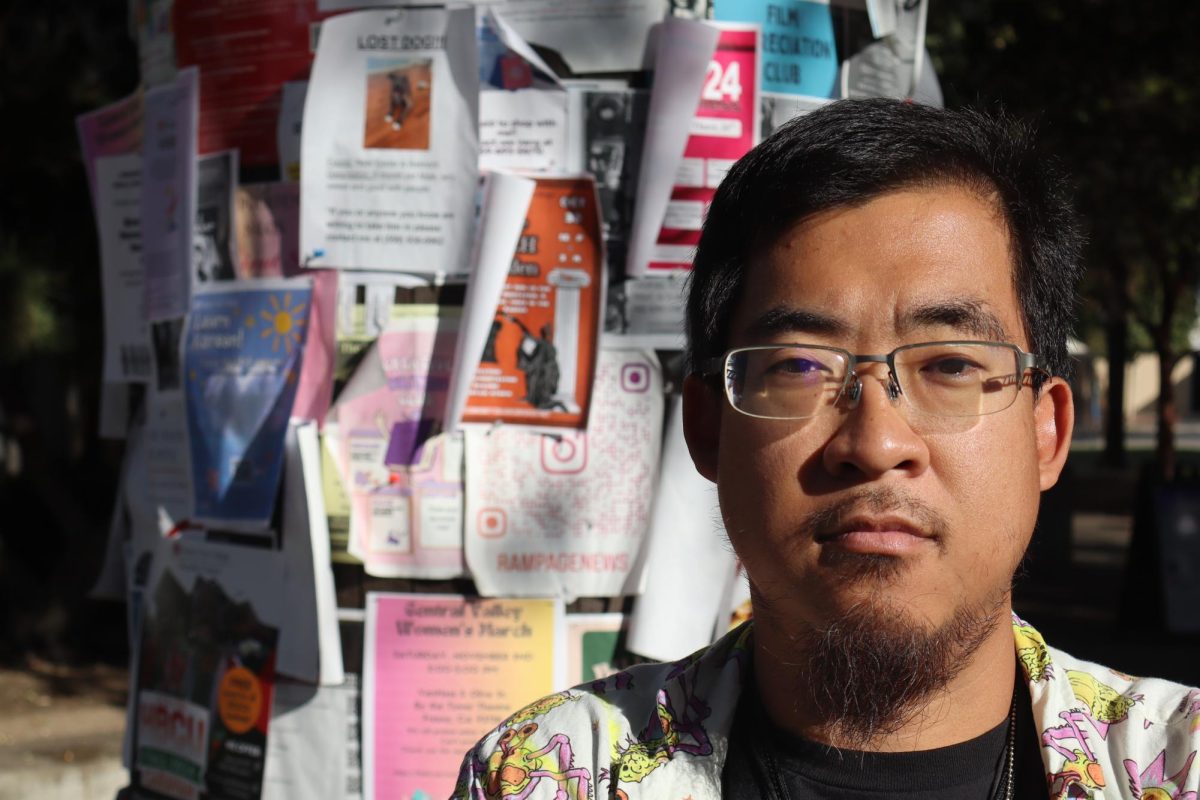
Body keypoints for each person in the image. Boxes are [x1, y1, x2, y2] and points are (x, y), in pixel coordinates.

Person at [455, 100, 1200, 799]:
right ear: (708, 429)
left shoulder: (1178, 766)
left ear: (1048, 433)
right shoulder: (547, 774)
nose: (875, 444)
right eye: (799, 368)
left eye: (950, 366)